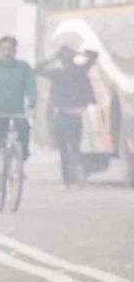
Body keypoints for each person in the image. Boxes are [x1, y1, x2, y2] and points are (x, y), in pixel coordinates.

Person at [0, 35, 37, 194]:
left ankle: (19, 163)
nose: (6, 52)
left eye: (10, 49)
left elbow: (31, 88)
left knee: (24, 134)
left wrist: (31, 105)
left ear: (15, 50)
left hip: (18, 112)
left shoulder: (24, 68)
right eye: (3, 49)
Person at [36, 45, 98, 187]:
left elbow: (37, 69)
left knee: (64, 149)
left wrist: (53, 57)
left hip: (61, 116)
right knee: (75, 147)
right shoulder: (80, 70)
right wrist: (78, 53)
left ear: (62, 60)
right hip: (76, 116)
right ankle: (75, 177)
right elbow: (94, 55)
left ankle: (66, 181)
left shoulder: (57, 73)